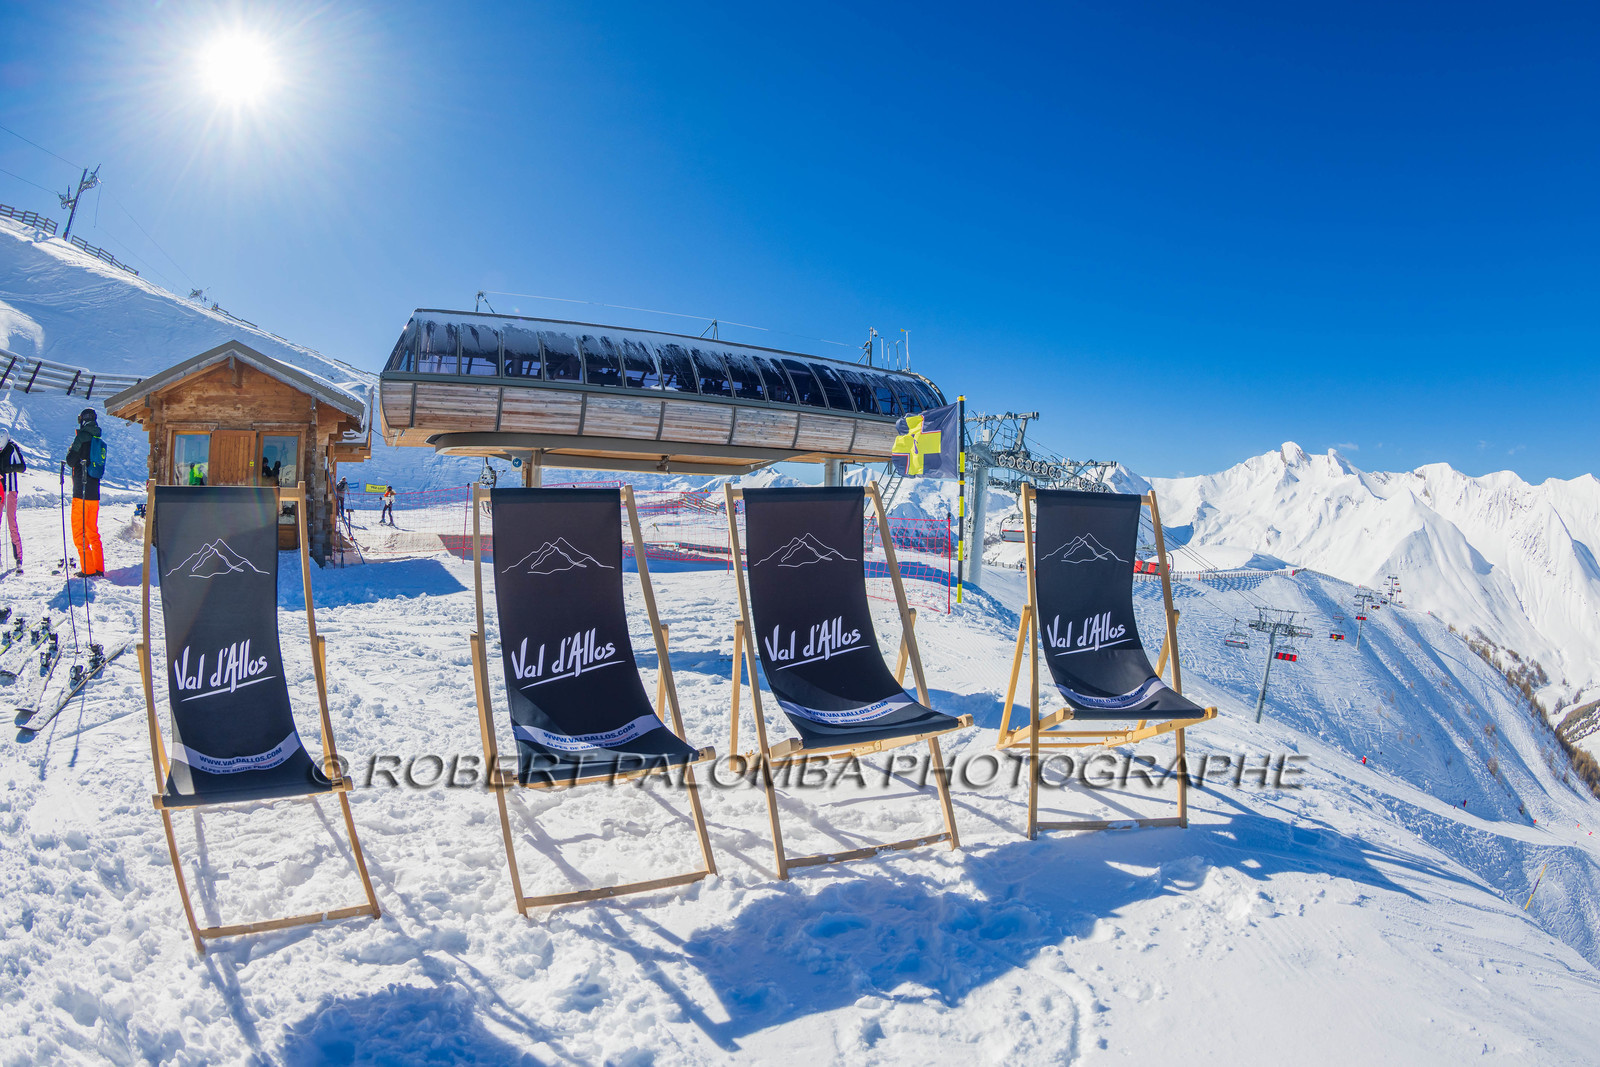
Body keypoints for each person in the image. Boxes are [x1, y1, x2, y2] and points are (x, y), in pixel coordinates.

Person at [65, 408, 106, 577]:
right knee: (92, 531)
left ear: (83, 419)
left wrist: (71, 450)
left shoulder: (82, 437)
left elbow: (70, 460)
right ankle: (98, 568)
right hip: (93, 494)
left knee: (79, 532)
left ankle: (87, 569)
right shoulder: (98, 438)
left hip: (80, 493)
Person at [0, 430, 25, 573]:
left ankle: (18, 557)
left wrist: (9, 469)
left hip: (10, 490)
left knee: (11, 523)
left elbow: (22, 466)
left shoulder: (12, 448)